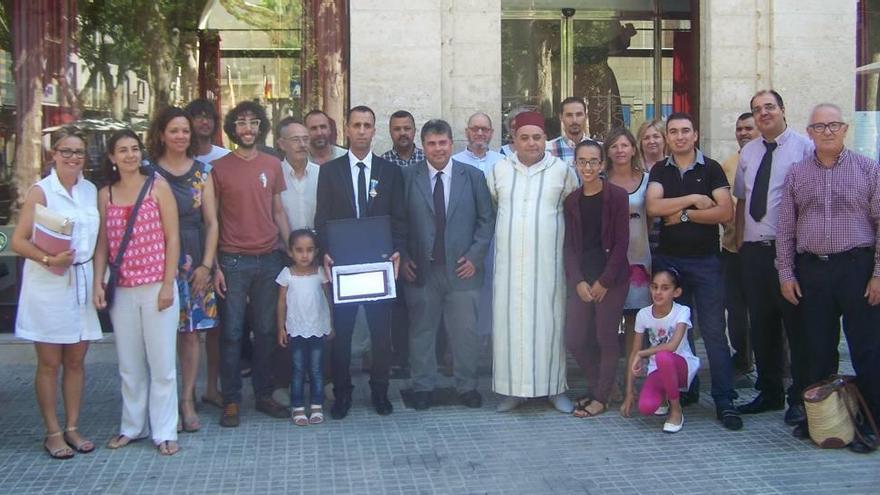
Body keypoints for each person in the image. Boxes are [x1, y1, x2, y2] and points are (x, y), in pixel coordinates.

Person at [776, 103, 880, 453]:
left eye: (834, 125)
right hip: (813, 271)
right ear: (809, 133)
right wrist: (786, 273)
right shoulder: (797, 173)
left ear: (845, 129)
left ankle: (870, 424)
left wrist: (878, 274)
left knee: (867, 350)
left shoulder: (869, 170)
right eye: (820, 127)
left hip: (857, 268)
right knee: (816, 350)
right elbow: (786, 228)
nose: (828, 131)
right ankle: (820, 421)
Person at [645, 112, 741, 430]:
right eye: (674, 132)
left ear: (695, 134)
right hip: (670, 262)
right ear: (668, 137)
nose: (680, 136)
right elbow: (654, 208)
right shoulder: (660, 169)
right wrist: (695, 200)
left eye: (686, 131)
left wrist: (683, 216)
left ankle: (724, 400)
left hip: (706, 262)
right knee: (677, 333)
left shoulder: (711, 168)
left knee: (713, 332)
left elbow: (725, 211)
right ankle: (685, 392)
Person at [12, 126, 101, 459]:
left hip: (82, 280)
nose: (73, 158)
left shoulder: (91, 190)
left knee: (76, 361)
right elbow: (19, 241)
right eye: (66, 151)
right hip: (48, 283)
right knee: (50, 363)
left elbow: (99, 239)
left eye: (79, 152)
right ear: (54, 154)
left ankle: (73, 427)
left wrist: (98, 281)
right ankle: (52, 432)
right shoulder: (41, 191)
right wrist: (49, 258)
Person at [314, 105, 406, 419]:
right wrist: (324, 251)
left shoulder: (390, 172)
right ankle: (342, 395)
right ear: (348, 129)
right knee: (342, 334)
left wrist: (397, 250)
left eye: (368, 125)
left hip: (380, 266)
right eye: (357, 125)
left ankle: (380, 392)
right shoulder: (330, 171)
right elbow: (322, 218)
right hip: (344, 268)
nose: (362, 130)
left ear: (374, 129)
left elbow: (399, 218)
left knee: (382, 335)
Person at [93, 129, 181, 455]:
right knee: (129, 365)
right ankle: (132, 426)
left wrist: (169, 284)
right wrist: (98, 282)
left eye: (134, 149)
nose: (130, 155)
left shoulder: (157, 187)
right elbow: (103, 243)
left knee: (162, 365)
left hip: (157, 285)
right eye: (122, 150)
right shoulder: (106, 195)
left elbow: (173, 238)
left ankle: (165, 430)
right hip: (123, 291)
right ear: (112, 157)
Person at [487, 111, 579, 413]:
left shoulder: (562, 171)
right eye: (524, 138)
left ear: (545, 139)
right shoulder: (499, 170)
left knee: (550, 327)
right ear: (513, 140)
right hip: (510, 270)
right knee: (510, 329)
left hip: (548, 269)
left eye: (537, 137)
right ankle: (513, 392)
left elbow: (574, 210)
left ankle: (554, 389)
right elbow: (491, 208)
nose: (531, 143)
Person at [401, 119, 495, 410]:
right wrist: (403, 257)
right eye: (431, 143)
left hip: (463, 270)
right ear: (423, 146)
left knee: (465, 334)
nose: (438, 149)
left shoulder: (473, 177)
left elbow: (486, 220)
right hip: (422, 271)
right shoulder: (407, 177)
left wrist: (476, 257)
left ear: (451, 143)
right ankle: (423, 387)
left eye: (443, 143)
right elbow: (398, 222)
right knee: (422, 332)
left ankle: (467, 386)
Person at [733, 91, 813, 427]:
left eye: (769, 107)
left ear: (783, 109)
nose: (763, 114)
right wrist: (738, 243)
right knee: (761, 324)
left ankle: (800, 397)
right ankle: (769, 391)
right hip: (753, 252)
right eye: (757, 110)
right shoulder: (749, 153)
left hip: (788, 252)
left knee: (796, 327)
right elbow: (742, 199)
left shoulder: (803, 148)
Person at [212, 101, 291, 427]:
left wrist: (292, 248)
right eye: (241, 123)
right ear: (233, 128)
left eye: (253, 123)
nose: (247, 129)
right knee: (231, 333)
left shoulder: (273, 165)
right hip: (232, 260)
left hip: (270, 258)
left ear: (261, 128)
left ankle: (263, 394)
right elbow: (212, 220)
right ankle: (231, 399)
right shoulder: (218, 168)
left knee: (267, 330)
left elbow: (277, 211)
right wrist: (214, 265)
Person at [147, 107, 220, 433]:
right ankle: (162, 403)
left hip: (193, 259)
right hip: (153, 257)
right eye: (174, 130)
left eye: (185, 131)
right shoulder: (146, 172)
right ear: (162, 134)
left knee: (190, 336)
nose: (180, 136)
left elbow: (212, 222)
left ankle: (187, 399)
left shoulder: (203, 172)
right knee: (158, 337)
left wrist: (207, 264)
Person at [563, 140, 630, 418]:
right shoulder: (571, 201)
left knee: (605, 337)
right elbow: (568, 246)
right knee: (575, 339)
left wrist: (604, 281)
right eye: (582, 161)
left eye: (593, 161)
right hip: (582, 280)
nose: (588, 167)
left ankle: (600, 398)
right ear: (575, 164)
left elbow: (621, 243)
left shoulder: (617, 196)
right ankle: (602, 385)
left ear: (602, 164)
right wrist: (578, 280)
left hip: (611, 278)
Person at [184, 99, 228, 410]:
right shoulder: (172, 162)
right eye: (197, 117)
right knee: (182, 330)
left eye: (208, 117)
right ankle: (183, 393)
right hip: (180, 251)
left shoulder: (223, 159)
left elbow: (221, 214)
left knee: (213, 328)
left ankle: (211, 387)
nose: (203, 123)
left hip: (214, 249)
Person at [619, 269, 700, 434]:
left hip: (682, 366)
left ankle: (676, 411)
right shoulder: (643, 314)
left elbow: (672, 346)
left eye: (665, 288)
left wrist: (643, 353)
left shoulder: (682, 311)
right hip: (658, 369)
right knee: (646, 407)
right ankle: (663, 398)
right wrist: (629, 392)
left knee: (664, 356)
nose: (658, 292)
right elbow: (634, 352)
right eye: (654, 287)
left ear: (676, 292)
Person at [276, 229, 332, 426]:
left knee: (316, 368)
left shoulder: (320, 273)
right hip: (295, 328)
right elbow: (281, 302)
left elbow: (328, 298)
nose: (304, 255)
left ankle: (317, 404)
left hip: (317, 327)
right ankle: (297, 406)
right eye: (299, 250)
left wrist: (330, 323)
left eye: (309, 250)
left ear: (316, 251)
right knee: (298, 369)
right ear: (290, 252)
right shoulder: (286, 275)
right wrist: (281, 327)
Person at [604, 128, 651, 357]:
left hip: (639, 258)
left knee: (635, 320)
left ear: (633, 148)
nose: (620, 150)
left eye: (624, 145)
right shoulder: (600, 181)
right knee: (608, 321)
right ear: (608, 152)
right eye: (614, 146)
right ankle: (609, 383)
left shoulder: (648, 180)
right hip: (608, 259)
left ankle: (631, 382)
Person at [721, 112, 759, 375]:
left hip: (762, 250)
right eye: (739, 129)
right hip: (732, 249)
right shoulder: (728, 165)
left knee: (765, 310)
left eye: (749, 128)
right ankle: (742, 358)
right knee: (735, 310)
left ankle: (777, 364)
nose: (743, 133)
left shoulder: (772, 160)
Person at [546, 97, 590, 168]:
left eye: (579, 115)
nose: (574, 120)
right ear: (561, 117)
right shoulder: (549, 150)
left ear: (586, 116)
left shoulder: (598, 149)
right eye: (569, 115)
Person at [185, 98, 230, 165]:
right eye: (199, 117)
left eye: (209, 117)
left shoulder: (226, 157)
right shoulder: (180, 158)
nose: (205, 122)